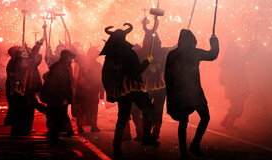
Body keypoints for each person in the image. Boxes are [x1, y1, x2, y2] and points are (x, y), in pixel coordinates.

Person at [100, 23, 160, 156]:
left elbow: (105, 75)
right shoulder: (129, 52)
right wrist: (147, 61)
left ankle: (117, 145)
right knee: (149, 110)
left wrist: (111, 91)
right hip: (135, 88)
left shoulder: (109, 56)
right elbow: (136, 71)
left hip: (121, 91)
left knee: (122, 117)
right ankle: (147, 137)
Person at [165, 29, 219, 160]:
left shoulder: (172, 54)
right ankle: (194, 145)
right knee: (204, 117)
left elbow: (167, 76)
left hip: (182, 94)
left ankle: (185, 152)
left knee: (184, 122)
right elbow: (212, 55)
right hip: (192, 92)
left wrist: (172, 94)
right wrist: (214, 42)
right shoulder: (194, 52)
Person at [40, 49, 75, 143]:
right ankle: (54, 134)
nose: (71, 59)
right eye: (69, 57)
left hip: (59, 95)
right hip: (57, 96)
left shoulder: (63, 66)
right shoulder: (60, 67)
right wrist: (63, 96)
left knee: (60, 114)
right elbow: (59, 83)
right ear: (65, 57)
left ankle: (55, 134)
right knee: (57, 114)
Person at [219, 39, 253, 130]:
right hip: (237, 88)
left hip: (231, 89)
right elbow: (247, 57)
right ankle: (229, 124)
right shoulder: (235, 60)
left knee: (235, 105)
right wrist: (253, 47)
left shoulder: (226, 63)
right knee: (237, 106)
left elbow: (221, 79)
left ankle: (225, 121)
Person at [74, 44, 104, 134]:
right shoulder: (83, 63)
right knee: (81, 109)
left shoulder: (98, 65)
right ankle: (80, 126)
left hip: (92, 92)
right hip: (83, 91)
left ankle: (93, 126)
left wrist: (101, 92)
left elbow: (101, 79)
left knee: (93, 109)